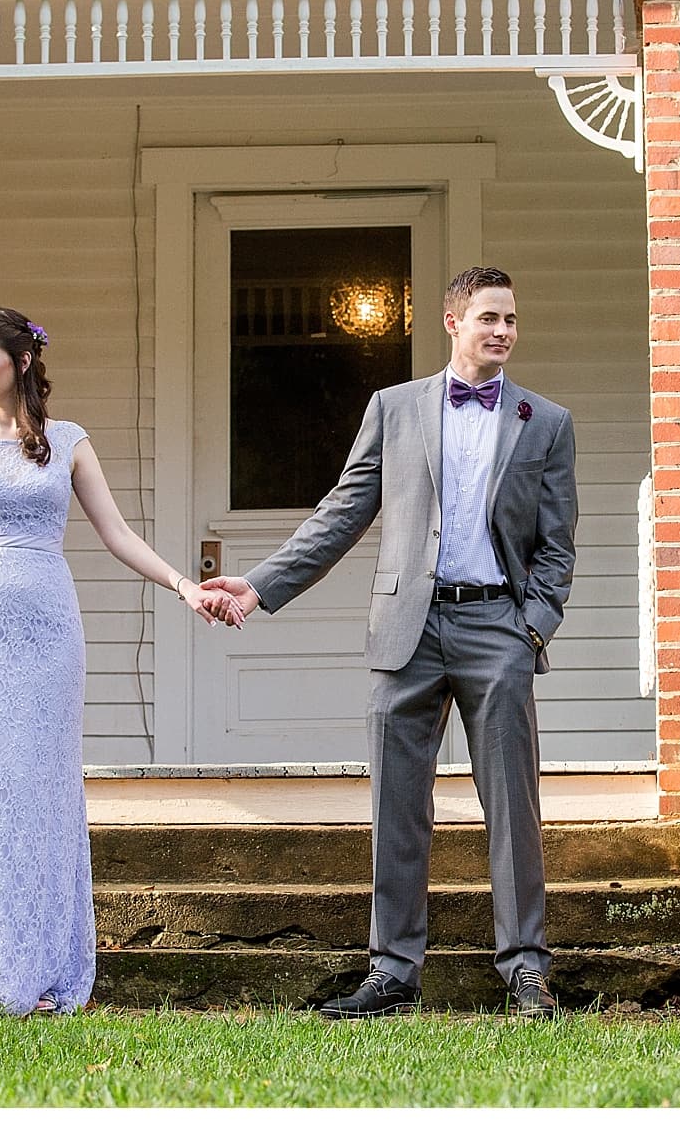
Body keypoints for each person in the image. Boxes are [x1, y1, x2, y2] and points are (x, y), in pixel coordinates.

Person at [203, 266, 578, 1019]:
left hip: (496, 628)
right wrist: (261, 585)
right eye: (489, 318)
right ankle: (393, 973)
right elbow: (341, 513)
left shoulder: (547, 422)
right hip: (407, 629)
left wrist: (531, 624)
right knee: (397, 806)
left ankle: (527, 972)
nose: (503, 331)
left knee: (512, 804)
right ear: (452, 321)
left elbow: (557, 546)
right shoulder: (395, 408)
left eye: (511, 319)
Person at [0, 306, 239, 1015]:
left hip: (49, 628)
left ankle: (35, 966)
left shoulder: (66, 442)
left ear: (23, 362)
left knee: (40, 789)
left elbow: (118, 532)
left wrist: (184, 585)